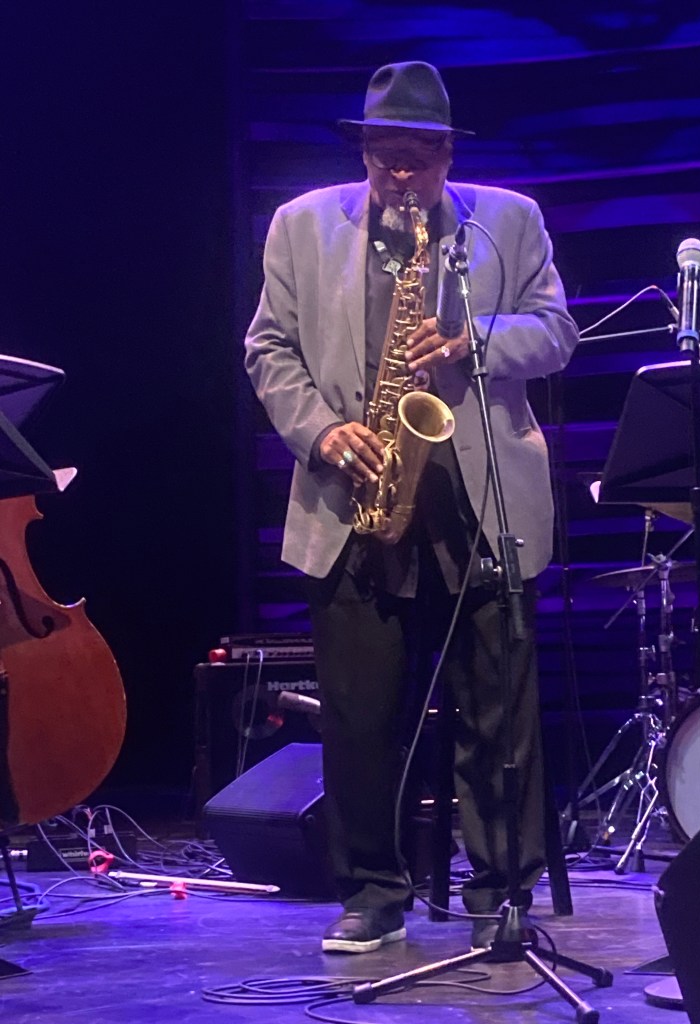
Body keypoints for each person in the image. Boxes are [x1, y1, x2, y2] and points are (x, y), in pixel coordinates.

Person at [244, 61, 579, 954]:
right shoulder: (300, 224)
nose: (401, 178)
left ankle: (500, 892)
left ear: (446, 154)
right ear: (363, 150)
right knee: (359, 717)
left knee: (497, 711)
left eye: (418, 161)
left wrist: (475, 340)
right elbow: (268, 349)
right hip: (353, 496)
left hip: (481, 499)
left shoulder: (508, 218)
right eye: (384, 158)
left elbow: (556, 332)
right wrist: (322, 433)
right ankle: (371, 895)